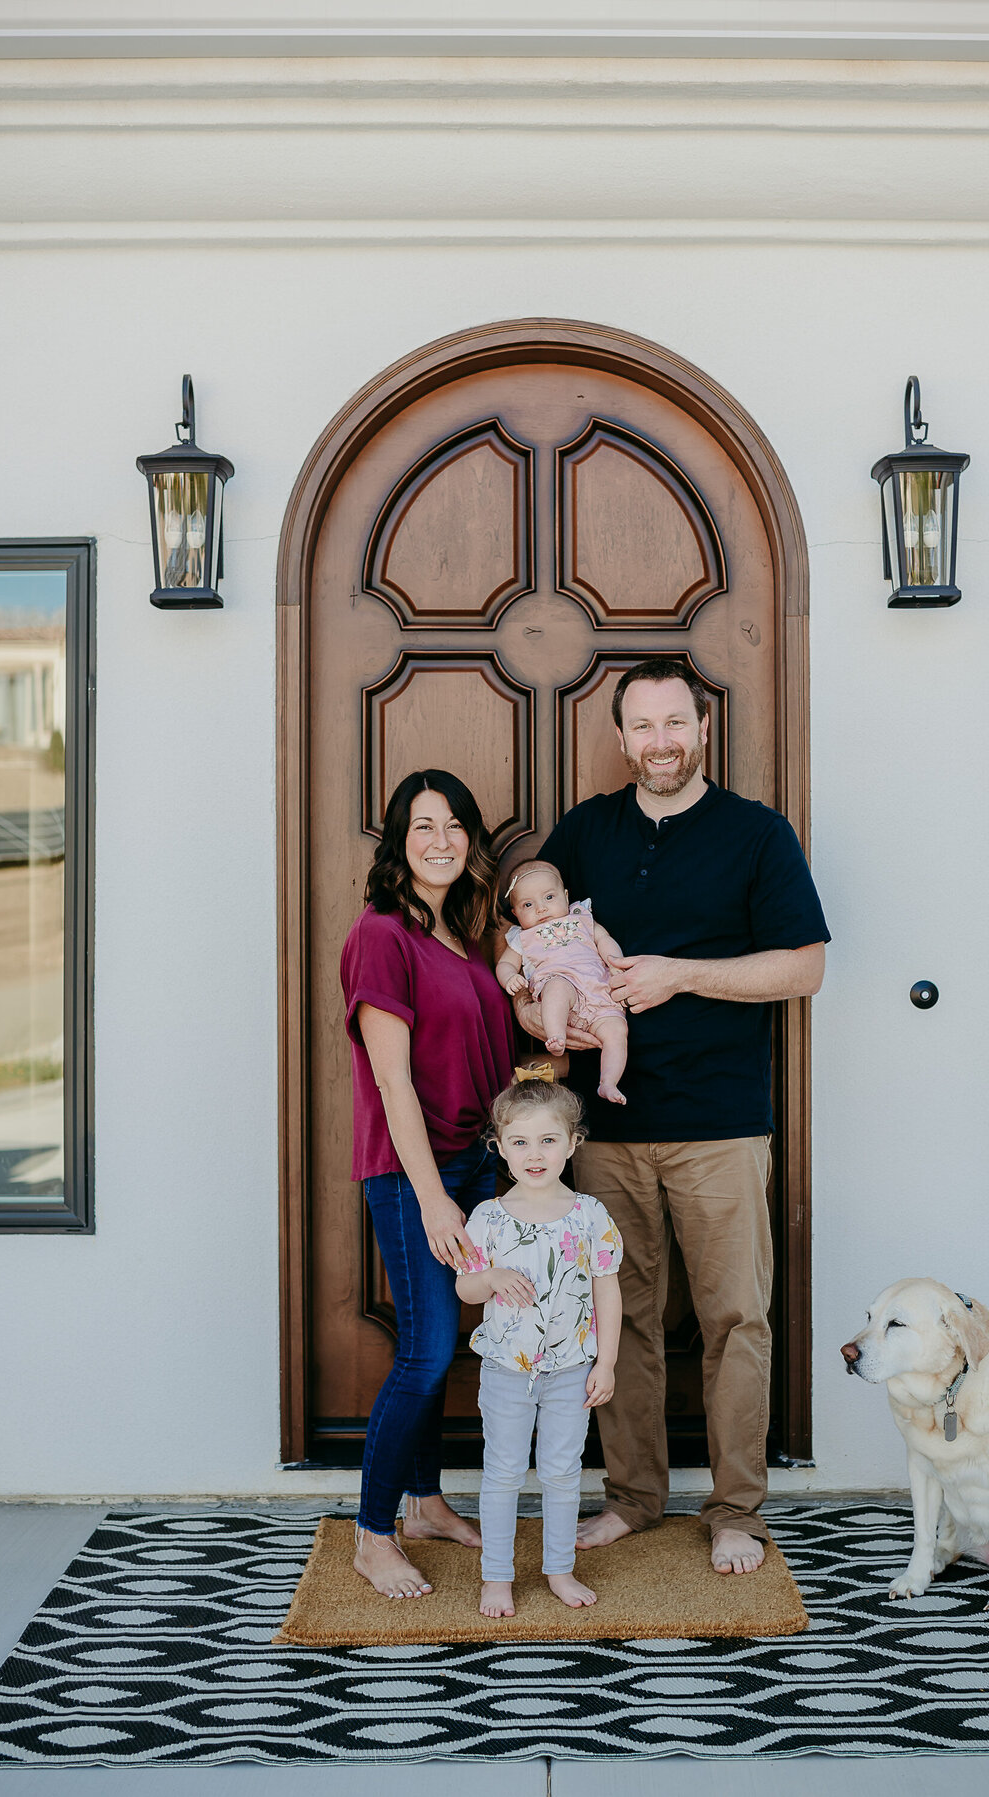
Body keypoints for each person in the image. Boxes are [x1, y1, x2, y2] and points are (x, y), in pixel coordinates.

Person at [516, 658, 829, 1577]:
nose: (659, 741)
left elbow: (803, 967)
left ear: (703, 729)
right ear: (621, 738)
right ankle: (633, 1497)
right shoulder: (584, 832)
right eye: (641, 726)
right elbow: (533, 947)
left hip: (722, 1125)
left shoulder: (756, 835)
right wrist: (536, 1008)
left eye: (674, 723)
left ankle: (736, 1510)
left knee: (737, 1317)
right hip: (604, 1133)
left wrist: (680, 973)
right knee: (627, 1319)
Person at [340, 768, 515, 1599]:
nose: (440, 839)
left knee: (438, 1345)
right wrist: (436, 1198)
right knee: (427, 1349)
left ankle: (427, 1503)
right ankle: (373, 1535)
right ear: (398, 842)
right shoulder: (382, 934)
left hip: (480, 1159)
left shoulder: (467, 933)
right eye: (421, 826)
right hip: (418, 1170)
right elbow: (393, 1083)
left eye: (453, 824)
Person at [455, 1076, 623, 1619]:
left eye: (548, 1140)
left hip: (571, 1370)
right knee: (502, 1471)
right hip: (507, 1369)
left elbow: (606, 1288)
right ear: (499, 1146)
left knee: (561, 1472)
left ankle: (558, 1569)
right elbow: (466, 1287)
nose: (534, 1154)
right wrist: (493, 1277)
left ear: (573, 1144)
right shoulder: (489, 1219)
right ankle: (497, 1576)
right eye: (520, 1142)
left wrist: (608, 1361)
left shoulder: (590, 1215)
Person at [494, 859, 629, 1104]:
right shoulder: (521, 937)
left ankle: (608, 1082)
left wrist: (616, 964)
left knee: (617, 1031)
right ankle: (556, 1036)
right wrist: (509, 978)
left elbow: (604, 939)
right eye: (528, 904)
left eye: (549, 897)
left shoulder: (581, 916)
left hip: (599, 992)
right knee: (556, 989)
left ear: (565, 896)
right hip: (561, 983)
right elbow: (505, 964)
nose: (541, 909)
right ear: (515, 913)